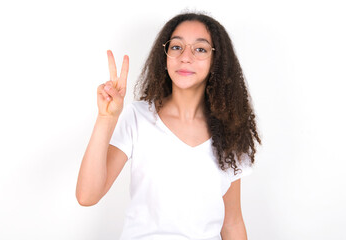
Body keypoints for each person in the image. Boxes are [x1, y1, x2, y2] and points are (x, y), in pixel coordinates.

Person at [76, 12, 261, 240]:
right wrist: (106, 118)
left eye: (200, 49)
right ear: (165, 55)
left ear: (217, 60)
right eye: (176, 47)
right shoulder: (138, 117)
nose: (185, 56)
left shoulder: (229, 131)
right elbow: (87, 196)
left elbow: (232, 223)